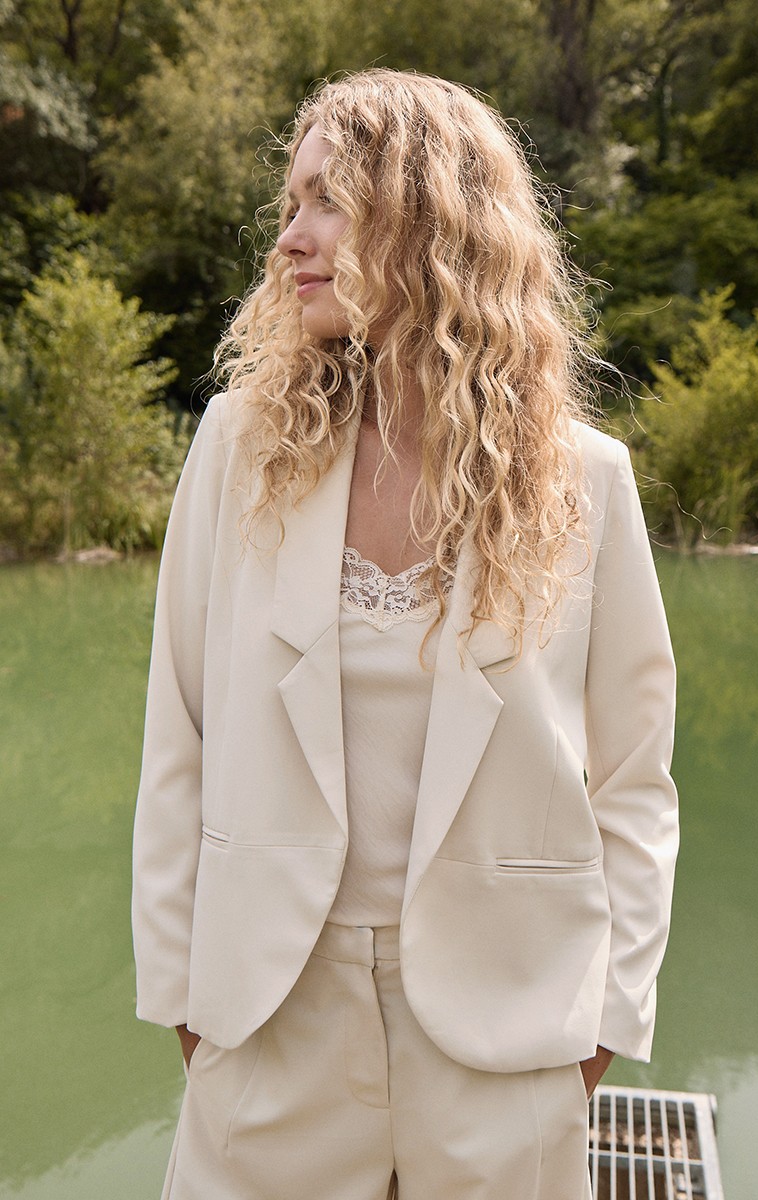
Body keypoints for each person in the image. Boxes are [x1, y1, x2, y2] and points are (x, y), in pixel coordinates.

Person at [132, 69, 679, 1200]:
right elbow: (176, 739)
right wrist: (185, 1002)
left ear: (429, 224)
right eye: (291, 204)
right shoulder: (237, 450)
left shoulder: (585, 482)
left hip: (507, 1035)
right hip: (268, 1023)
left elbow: (635, 784)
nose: (290, 239)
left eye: (326, 202)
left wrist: (599, 1032)